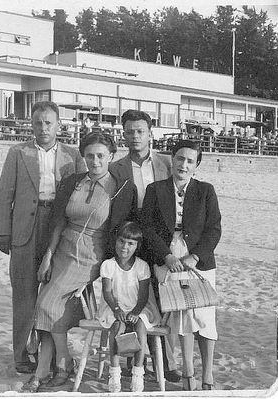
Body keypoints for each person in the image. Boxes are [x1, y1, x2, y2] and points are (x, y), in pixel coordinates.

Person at [22, 132, 137, 392]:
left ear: (111, 156)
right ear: (82, 156)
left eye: (100, 156)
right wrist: (47, 258)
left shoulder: (121, 187)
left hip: (92, 255)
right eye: (89, 156)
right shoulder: (73, 181)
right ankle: (54, 368)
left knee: (46, 303)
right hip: (62, 249)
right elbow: (58, 222)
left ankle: (59, 367)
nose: (94, 161)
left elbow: (123, 231)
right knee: (49, 307)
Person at [0, 101, 87, 374]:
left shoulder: (73, 156)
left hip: (59, 227)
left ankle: (47, 354)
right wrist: (3, 231)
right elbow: (4, 197)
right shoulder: (17, 153)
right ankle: (21, 354)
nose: (43, 128)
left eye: (49, 123)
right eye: (38, 123)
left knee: (51, 294)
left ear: (59, 125)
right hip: (24, 229)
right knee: (24, 295)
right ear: (31, 125)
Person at [141, 139, 221, 390]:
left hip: (199, 259)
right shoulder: (156, 189)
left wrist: (194, 256)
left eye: (189, 161)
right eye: (179, 159)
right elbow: (148, 228)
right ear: (172, 160)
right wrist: (167, 256)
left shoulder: (205, 190)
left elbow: (214, 229)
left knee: (204, 315)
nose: (183, 165)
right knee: (181, 315)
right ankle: (188, 373)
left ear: (196, 165)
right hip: (167, 257)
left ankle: (207, 376)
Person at [109, 109, 180, 382]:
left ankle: (168, 362)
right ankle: (131, 359)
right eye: (129, 131)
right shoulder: (116, 168)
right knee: (131, 299)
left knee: (163, 303)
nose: (135, 136)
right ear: (123, 134)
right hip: (130, 240)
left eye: (140, 131)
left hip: (160, 241)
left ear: (150, 133)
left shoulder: (165, 163)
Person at [97, 221, 161, 393]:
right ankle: (115, 372)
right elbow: (107, 292)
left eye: (130, 243)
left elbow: (143, 296)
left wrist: (135, 312)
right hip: (114, 307)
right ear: (115, 241)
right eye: (121, 241)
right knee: (117, 327)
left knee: (140, 326)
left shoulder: (142, 266)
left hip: (138, 308)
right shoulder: (108, 265)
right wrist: (117, 309)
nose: (125, 247)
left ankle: (137, 372)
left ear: (137, 246)